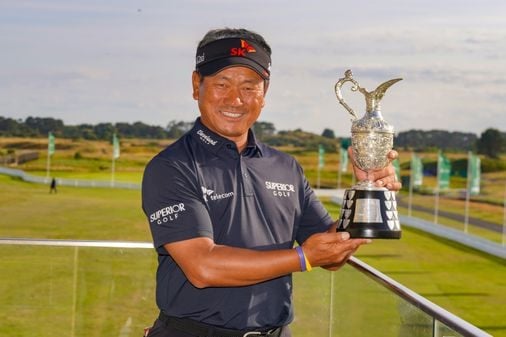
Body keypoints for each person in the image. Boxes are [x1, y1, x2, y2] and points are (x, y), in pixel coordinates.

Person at [141, 28, 401, 337]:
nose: (235, 99)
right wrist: (303, 258)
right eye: (222, 84)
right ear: (197, 85)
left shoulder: (285, 166)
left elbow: (329, 252)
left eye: (249, 86)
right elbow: (203, 267)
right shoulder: (172, 167)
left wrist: (366, 195)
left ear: (265, 92)